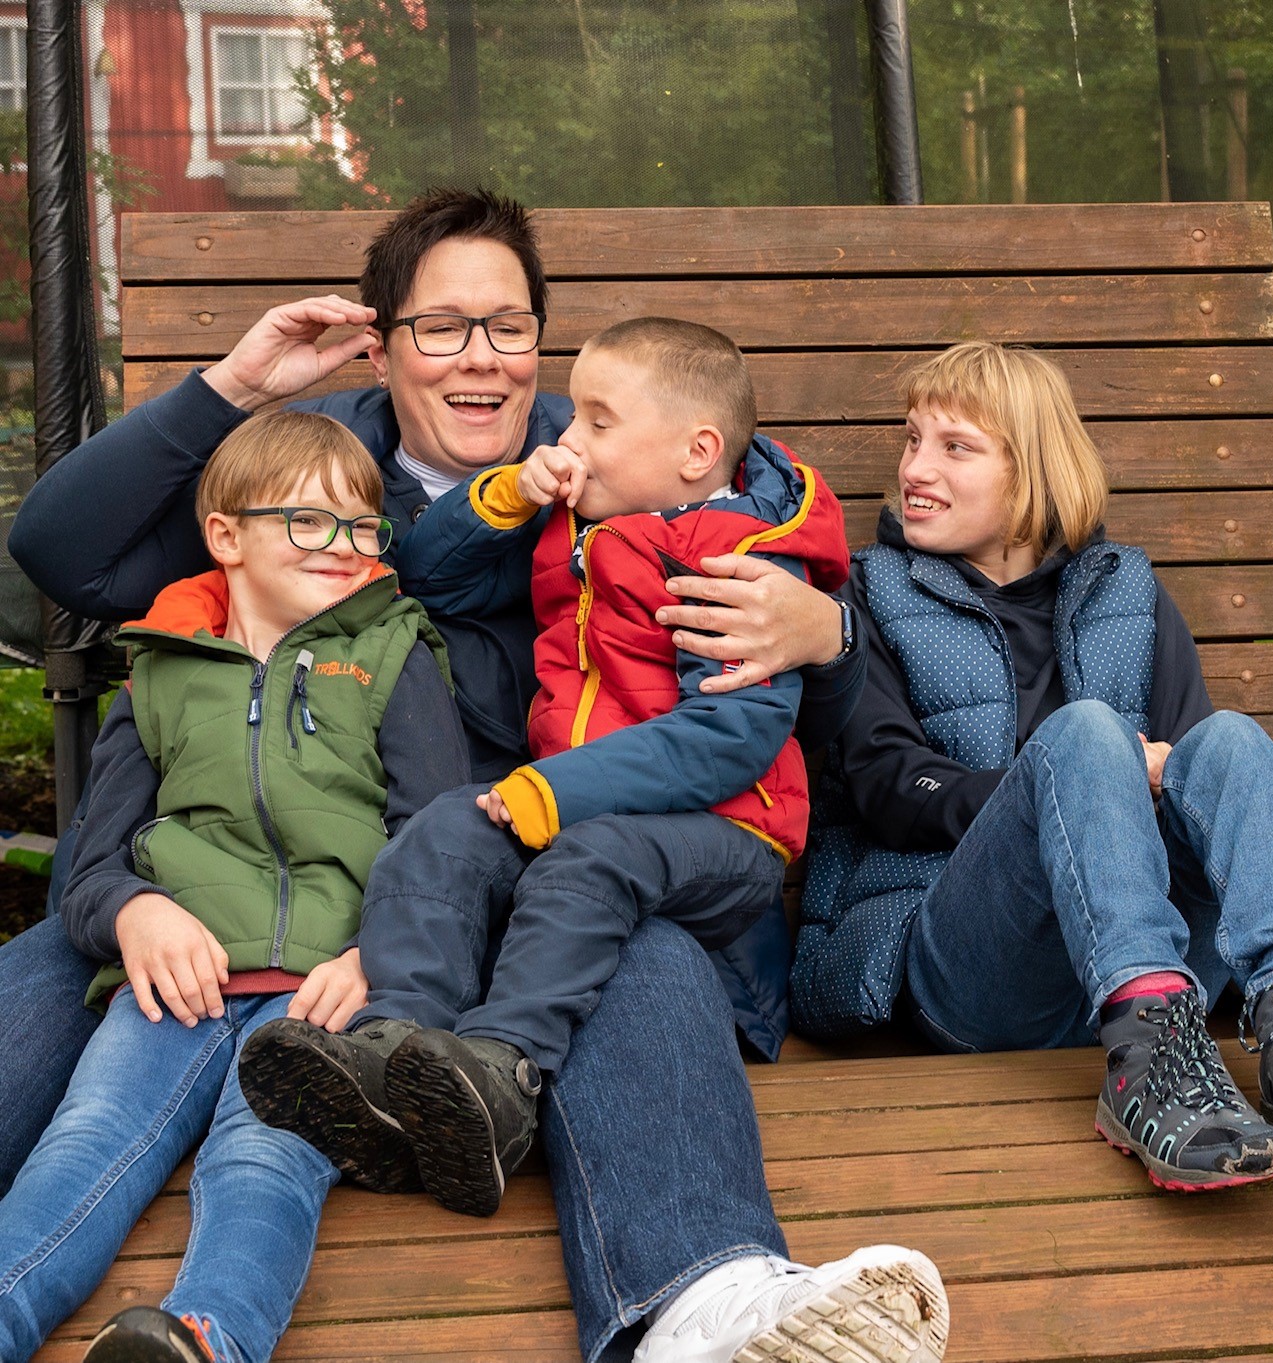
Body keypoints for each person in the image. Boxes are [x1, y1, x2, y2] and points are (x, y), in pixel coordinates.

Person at [7, 188, 949, 1363]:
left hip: (545, 896)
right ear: (382, 341)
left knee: (629, 933)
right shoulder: (317, 484)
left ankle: (706, 1298)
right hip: (275, 906)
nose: (480, 361)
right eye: (441, 327)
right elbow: (60, 549)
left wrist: (828, 633)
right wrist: (239, 387)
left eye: (506, 326)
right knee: (70, 954)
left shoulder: (616, 455)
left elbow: (775, 592)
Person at [239, 317, 853, 1222]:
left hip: (727, 833)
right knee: (448, 827)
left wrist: (554, 789)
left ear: (696, 452)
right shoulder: (579, 520)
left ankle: (499, 1070)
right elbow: (424, 577)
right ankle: (390, 1045)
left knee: (588, 861)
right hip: (579, 813)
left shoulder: (736, 563)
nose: (567, 438)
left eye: (596, 422)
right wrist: (505, 496)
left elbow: (729, 740)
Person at [792, 341, 1273, 1194]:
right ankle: (1146, 1054)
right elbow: (891, 786)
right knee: (1086, 735)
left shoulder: (1127, 589)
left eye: (953, 446)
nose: (914, 469)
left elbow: (1194, 778)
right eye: (910, 440)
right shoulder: (867, 594)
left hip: (1154, 945)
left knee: (1227, 741)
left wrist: (1137, 774)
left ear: (1032, 469)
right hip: (970, 964)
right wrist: (1074, 775)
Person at [0, 411, 470, 1362]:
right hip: (176, 983)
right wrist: (137, 908)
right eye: (307, 522)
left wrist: (377, 956)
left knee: (264, 1158)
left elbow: (440, 839)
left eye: (361, 527)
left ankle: (210, 1340)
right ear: (226, 536)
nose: (342, 548)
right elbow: (93, 863)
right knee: (88, 1137)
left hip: (323, 995)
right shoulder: (161, 672)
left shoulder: (391, 651)